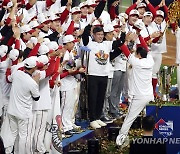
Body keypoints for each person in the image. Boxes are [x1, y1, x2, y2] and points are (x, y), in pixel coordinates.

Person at [116, 32, 154, 146]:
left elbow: (124, 50)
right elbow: (146, 48)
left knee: (129, 119)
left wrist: (122, 39)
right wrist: (140, 36)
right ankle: (150, 139)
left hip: (138, 97)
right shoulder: (150, 61)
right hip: (149, 95)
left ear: (138, 55)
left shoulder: (136, 62)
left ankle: (120, 141)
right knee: (149, 120)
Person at [6, 56, 40, 154]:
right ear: (33, 68)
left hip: (12, 110)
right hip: (23, 113)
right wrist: (36, 82)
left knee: (12, 134)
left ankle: (8, 152)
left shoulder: (17, 73)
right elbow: (36, 97)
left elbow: (10, 78)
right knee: (23, 136)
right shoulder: (31, 82)